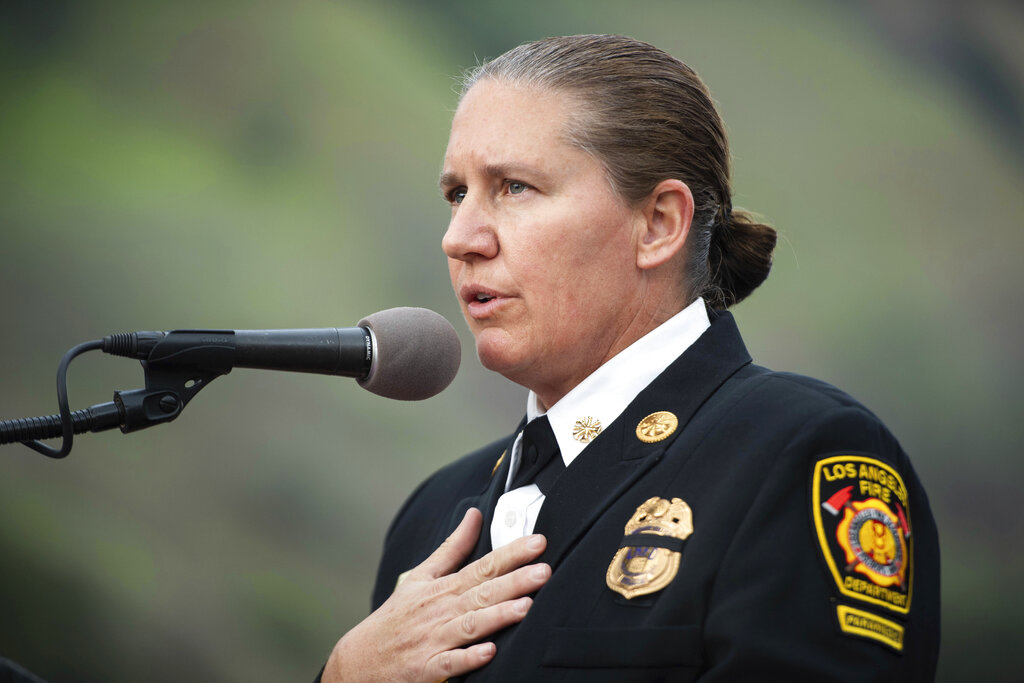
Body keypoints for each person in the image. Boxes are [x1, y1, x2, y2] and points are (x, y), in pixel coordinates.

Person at [317, 34, 939, 681]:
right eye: (456, 194)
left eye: (515, 187)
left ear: (659, 224)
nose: (460, 237)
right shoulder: (432, 514)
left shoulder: (798, 455)